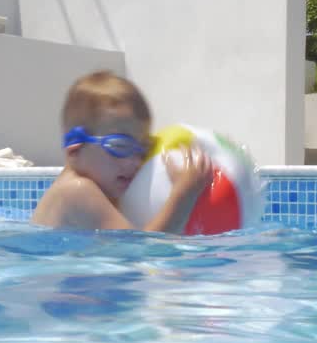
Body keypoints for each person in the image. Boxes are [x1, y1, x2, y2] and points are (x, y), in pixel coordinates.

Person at [31, 70, 212, 231]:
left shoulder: (100, 184)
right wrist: (184, 192)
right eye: (120, 146)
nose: (135, 162)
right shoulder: (77, 191)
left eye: (142, 149)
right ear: (75, 151)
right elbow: (143, 251)